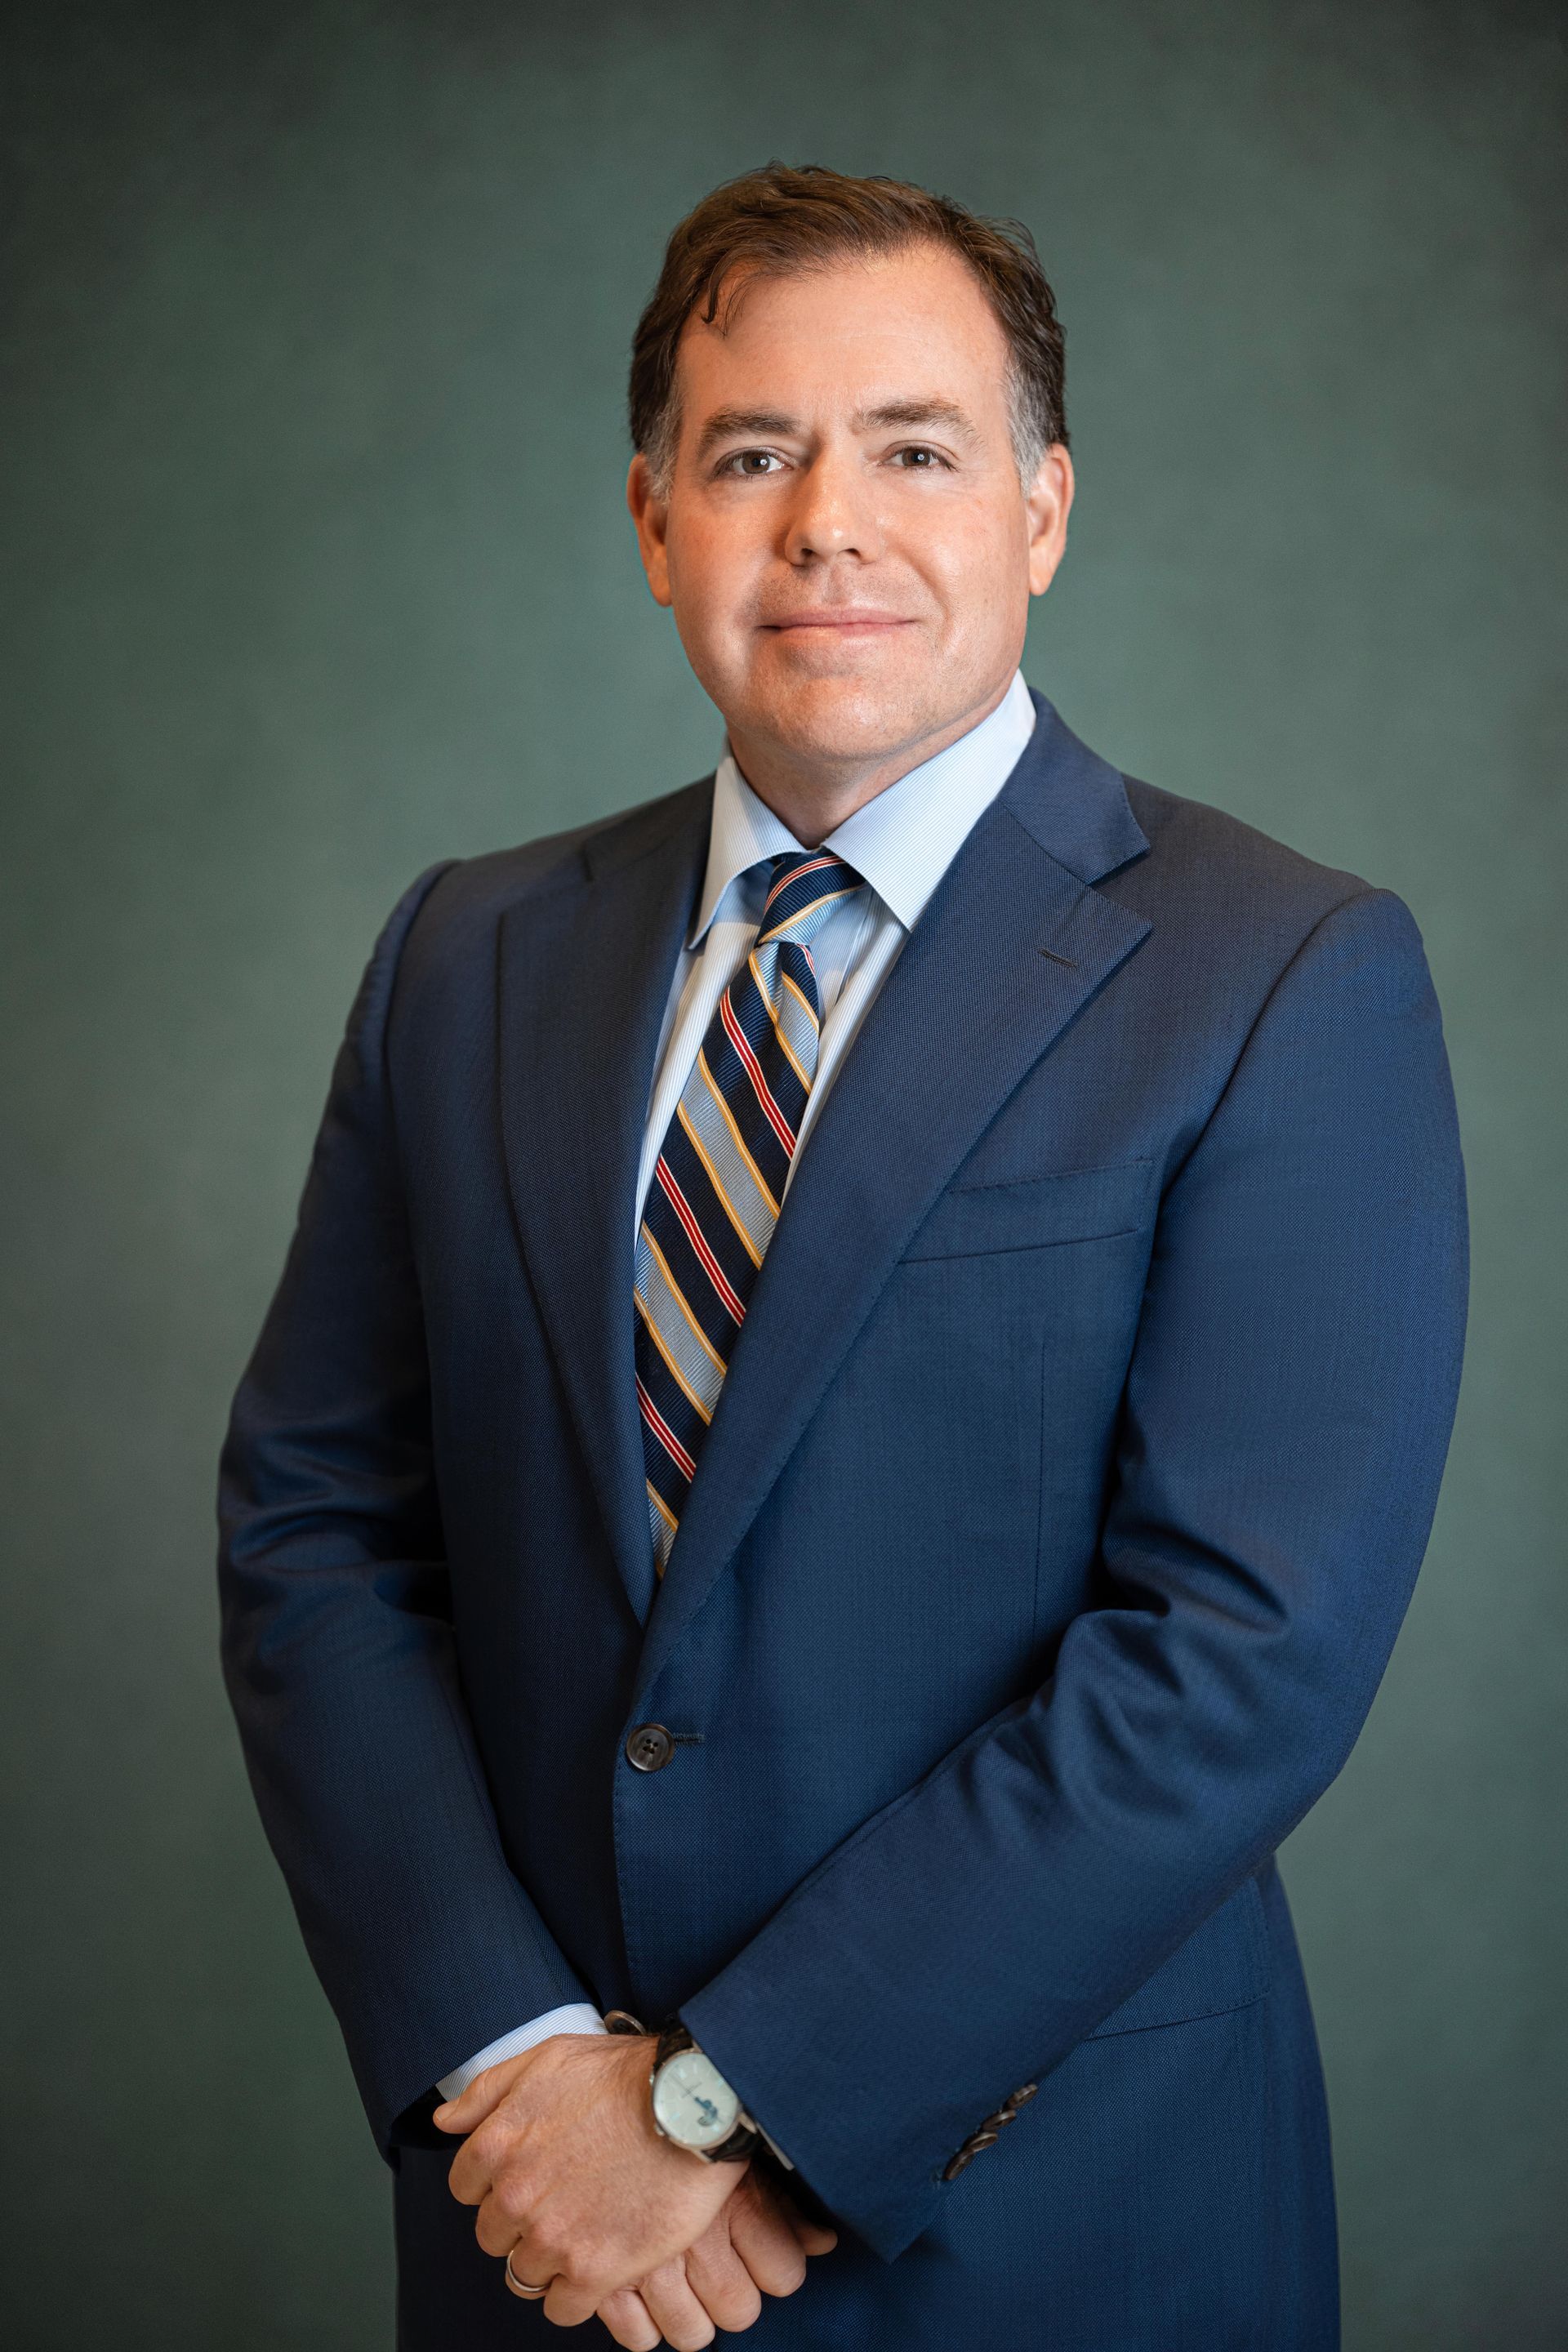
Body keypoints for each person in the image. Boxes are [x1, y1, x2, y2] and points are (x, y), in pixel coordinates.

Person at [218, 163, 1469, 2350]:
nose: (828, 527)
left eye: (914, 448)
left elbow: (1239, 1655)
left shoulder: (1280, 973)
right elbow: (322, 1530)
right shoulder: (466, 954)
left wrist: (720, 2101)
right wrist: (517, 2063)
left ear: (1043, 512)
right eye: (752, 455)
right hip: (543, 2250)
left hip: (1052, 2235)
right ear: (651, 520)